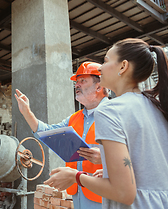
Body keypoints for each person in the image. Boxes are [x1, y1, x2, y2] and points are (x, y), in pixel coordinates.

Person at [44, 38, 168, 208]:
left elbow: (124, 193)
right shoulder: (163, 108)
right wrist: (114, 172)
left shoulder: (109, 111)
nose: (101, 67)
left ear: (123, 67)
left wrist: (75, 176)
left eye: (106, 61)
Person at [15, 61, 108, 209]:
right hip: (78, 192)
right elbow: (47, 134)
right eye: (76, 82)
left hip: (105, 196)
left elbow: (136, 155)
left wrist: (105, 156)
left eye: (82, 81)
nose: (77, 85)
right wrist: (26, 112)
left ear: (99, 86)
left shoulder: (115, 113)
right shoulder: (74, 119)